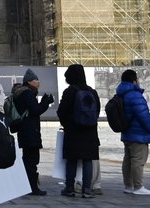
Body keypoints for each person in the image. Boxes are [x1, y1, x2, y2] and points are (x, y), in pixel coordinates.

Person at [56, 63, 100, 198]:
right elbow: (97, 111)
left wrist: (67, 124)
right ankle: (87, 189)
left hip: (73, 131)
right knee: (88, 160)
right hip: (90, 131)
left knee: (72, 160)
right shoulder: (92, 92)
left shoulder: (69, 92)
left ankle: (69, 188)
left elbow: (61, 111)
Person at [9, 70, 53, 196]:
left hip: (24, 131)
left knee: (28, 159)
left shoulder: (21, 93)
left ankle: (27, 186)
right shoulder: (27, 93)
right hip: (30, 131)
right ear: (29, 82)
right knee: (32, 161)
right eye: (36, 80)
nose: (38, 82)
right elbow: (35, 111)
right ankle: (32, 187)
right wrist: (45, 102)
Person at [115, 68, 150, 195]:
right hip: (138, 133)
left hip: (127, 132)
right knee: (138, 160)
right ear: (134, 81)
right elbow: (143, 115)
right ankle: (138, 186)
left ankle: (128, 186)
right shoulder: (135, 95)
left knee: (128, 160)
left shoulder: (121, 94)